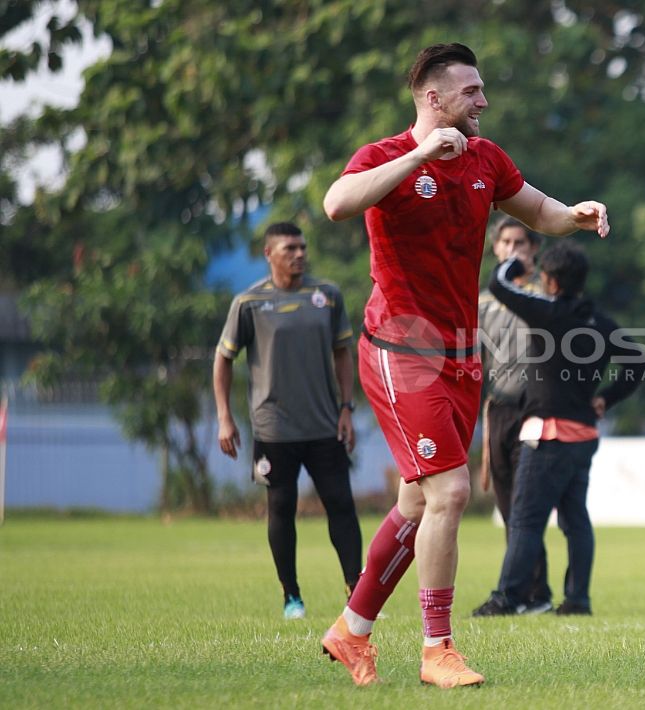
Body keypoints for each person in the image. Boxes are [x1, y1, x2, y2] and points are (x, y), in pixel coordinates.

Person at [318, 42, 610, 689]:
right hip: (400, 352)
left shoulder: (486, 159)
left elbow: (537, 210)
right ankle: (436, 650)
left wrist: (575, 216)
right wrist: (419, 156)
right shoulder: (387, 155)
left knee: (417, 505)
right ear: (434, 98)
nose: (484, 101)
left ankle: (351, 631)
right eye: (472, 91)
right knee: (451, 492)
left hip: (460, 356)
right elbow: (337, 204)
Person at [472, 241, 645, 617]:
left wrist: (514, 264)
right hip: (583, 436)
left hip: (547, 435)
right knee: (575, 521)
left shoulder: (547, 312)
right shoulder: (599, 322)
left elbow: (500, 286)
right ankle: (577, 599)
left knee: (525, 520)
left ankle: (508, 597)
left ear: (550, 282)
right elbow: (639, 360)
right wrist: (607, 398)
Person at [213, 221, 362, 621]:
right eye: (289, 249)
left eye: (302, 247)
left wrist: (346, 408)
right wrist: (225, 417)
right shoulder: (249, 303)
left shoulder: (326, 296)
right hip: (274, 427)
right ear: (269, 254)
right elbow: (223, 359)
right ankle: (291, 597)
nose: (299, 255)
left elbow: (343, 353)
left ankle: (357, 595)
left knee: (342, 506)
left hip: (325, 424)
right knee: (282, 507)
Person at [475, 216, 553, 615]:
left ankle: (531, 593)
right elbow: (477, 362)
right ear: (495, 248)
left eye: (521, 243)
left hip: (536, 410)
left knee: (526, 505)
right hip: (499, 409)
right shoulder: (483, 303)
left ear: (533, 250)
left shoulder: (545, 295)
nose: (513, 250)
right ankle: (527, 592)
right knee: (508, 505)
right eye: (506, 242)